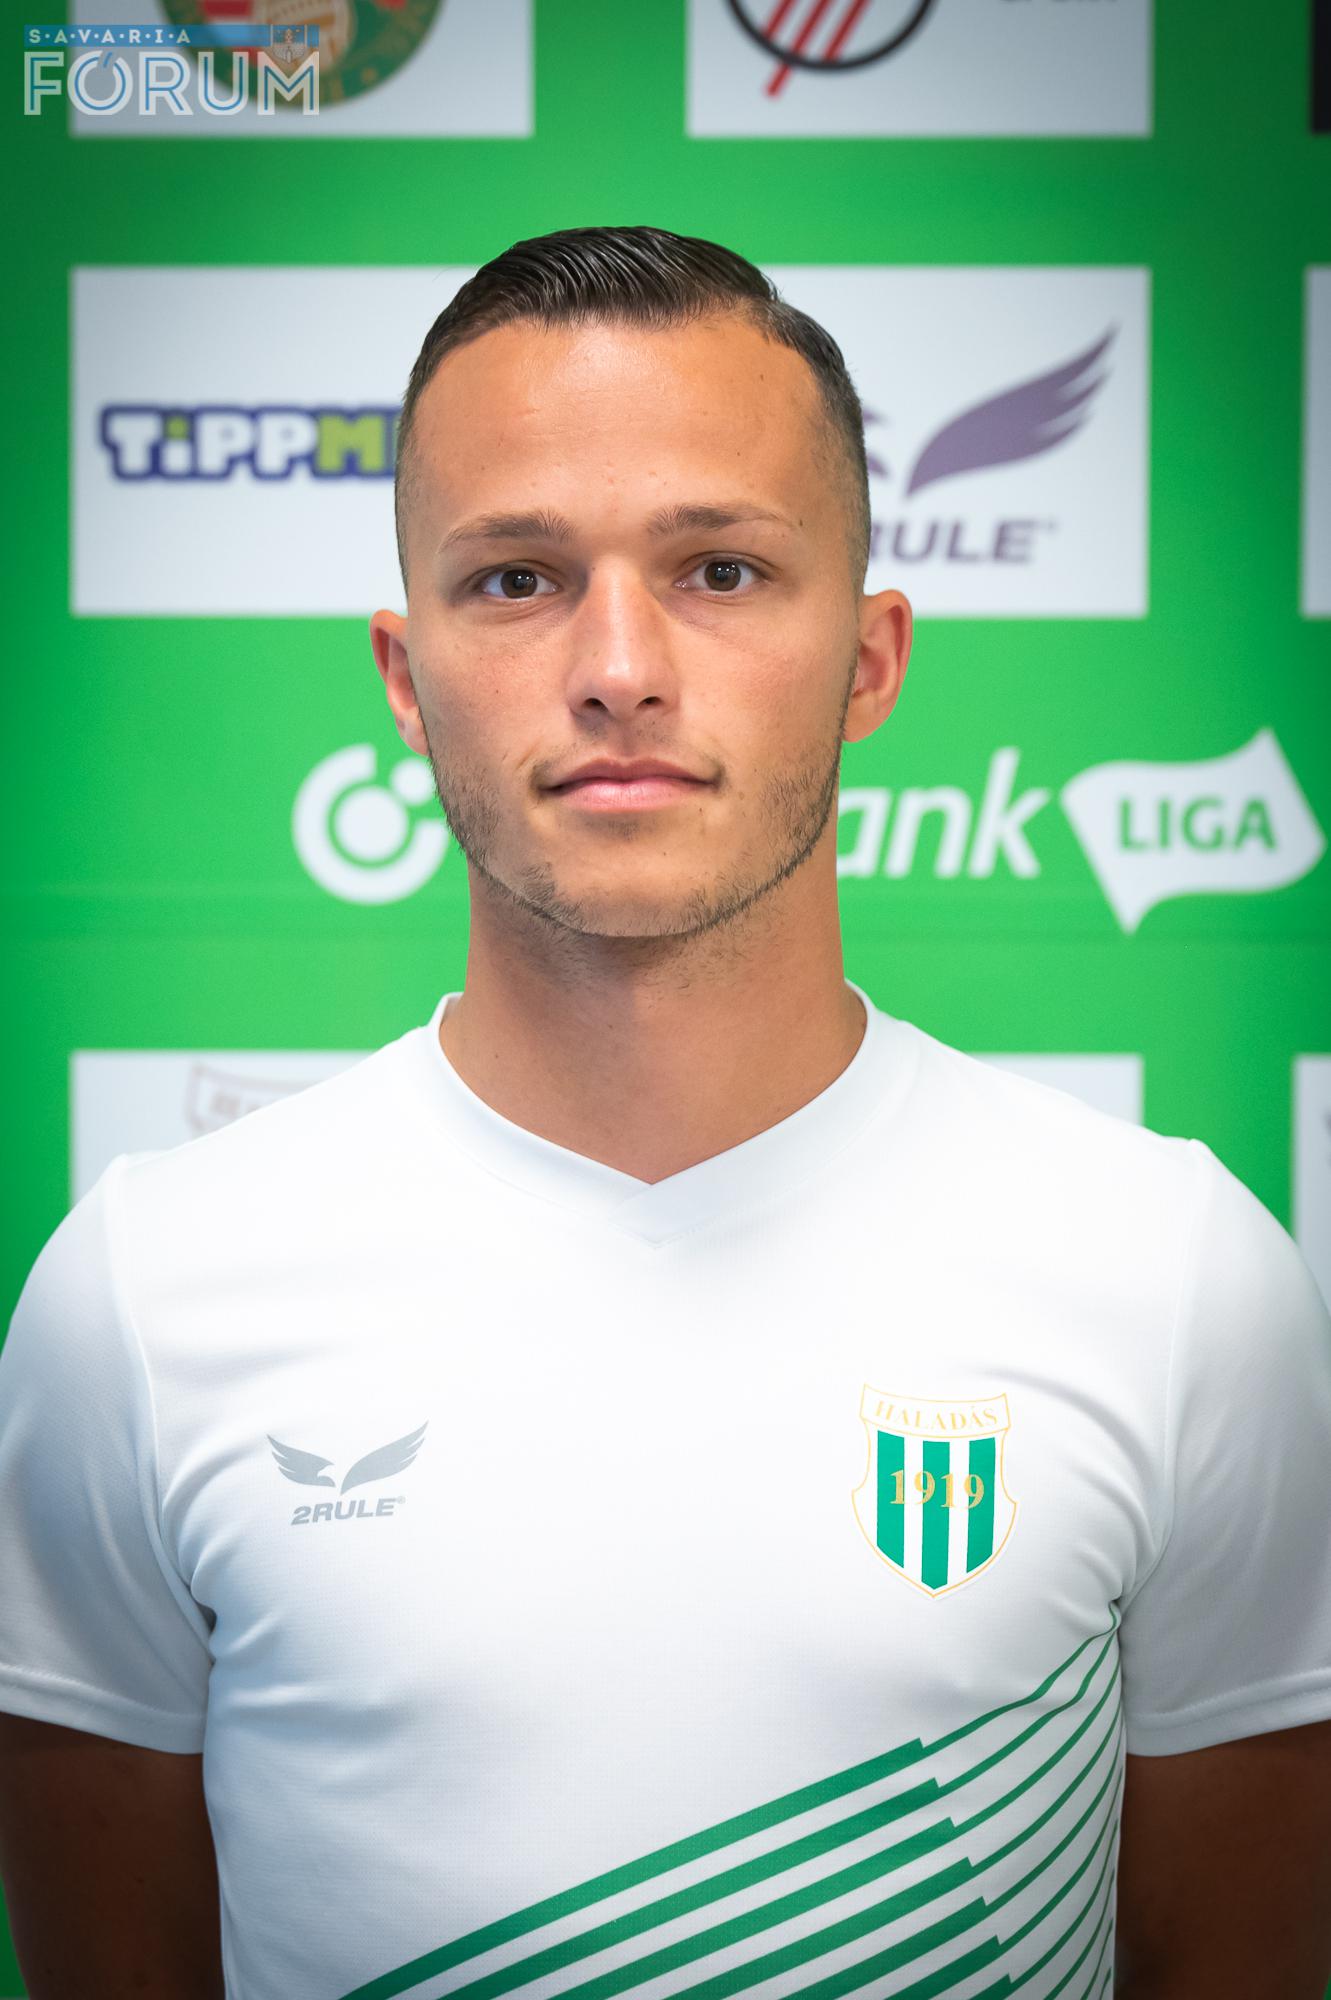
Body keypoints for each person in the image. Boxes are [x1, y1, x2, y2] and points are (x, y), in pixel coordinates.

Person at [1, 224, 1329, 2000]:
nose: (619, 663)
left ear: (870, 660)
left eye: (719, 569)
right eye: (516, 578)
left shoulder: (1177, 1277)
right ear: (404, 675)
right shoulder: (145, 1297)